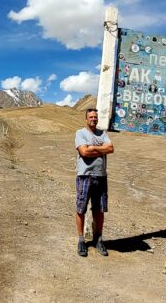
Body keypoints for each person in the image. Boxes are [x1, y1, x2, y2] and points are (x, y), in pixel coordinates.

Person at [74, 108, 113, 257]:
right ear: (86, 119)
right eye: (91, 117)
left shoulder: (103, 133)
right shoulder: (80, 133)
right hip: (85, 175)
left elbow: (111, 148)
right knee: (81, 208)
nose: (93, 119)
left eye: (95, 117)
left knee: (100, 210)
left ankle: (98, 239)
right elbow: (84, 152)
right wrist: (102, 149)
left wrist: (93, 148)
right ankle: (81, 240)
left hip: (101, 176)